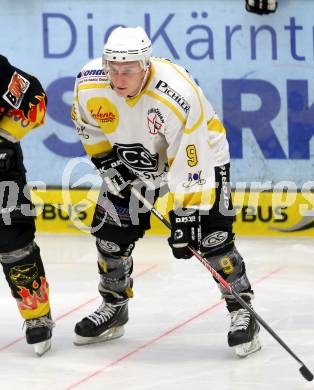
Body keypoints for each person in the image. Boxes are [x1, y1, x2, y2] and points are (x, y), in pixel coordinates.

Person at [71, 26, 261, 357]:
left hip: (201, 156)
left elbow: (192, 157)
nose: (117, 78)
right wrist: (105, 160)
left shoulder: (175, 93)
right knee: (111, 238)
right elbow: (86, 124)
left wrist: (187, 212)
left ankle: (242, 309)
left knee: (211, 238)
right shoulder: (89, 81)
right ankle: (114, 306)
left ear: (145, 66)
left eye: (127, 70)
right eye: (112, 68)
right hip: (132, 158)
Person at [0, 55, 54, 356]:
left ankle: (37, 316)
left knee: (14, 244)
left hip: (2, 175)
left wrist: (5, 139)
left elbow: (34, 96)